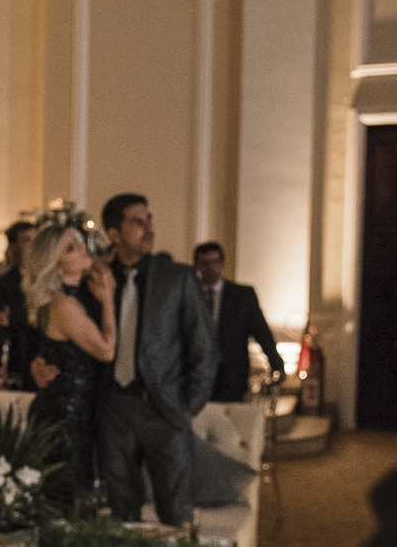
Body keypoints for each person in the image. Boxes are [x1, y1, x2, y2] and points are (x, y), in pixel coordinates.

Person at [98, 193, 218, 526]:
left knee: (176, 514)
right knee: (121, 512)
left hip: (163, 410)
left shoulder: (176, 277)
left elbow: (205, 349)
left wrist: (186, 406)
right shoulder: (98, 277)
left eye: (150, 219)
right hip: (114, 410)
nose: (148, 228)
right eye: (137, 221)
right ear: (114, 234)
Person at [22, 224, 116, 513]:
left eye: (78, 241)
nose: (82, 248)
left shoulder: (69, 297)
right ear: (55, 262)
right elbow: (106, 349)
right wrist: (108, 298)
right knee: (65, 499)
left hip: (69, 408)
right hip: (66, 415)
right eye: (70, 247)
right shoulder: (63, 304)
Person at [193, 241, 286, 402]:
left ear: (221, 263)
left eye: (214, 262)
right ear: (197, 265)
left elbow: (261, 332)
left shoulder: (242, 296)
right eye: (205, 263)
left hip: (231, 376)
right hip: (194, 375)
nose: (210, 268)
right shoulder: (188, 295)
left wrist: (276, 363)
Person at [0, 220, 36, 388]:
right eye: (27, 240)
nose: (32, 246)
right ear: (14, 245)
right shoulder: (7, 281)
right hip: (20, 352)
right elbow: (0, 322)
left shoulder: (47, 277)